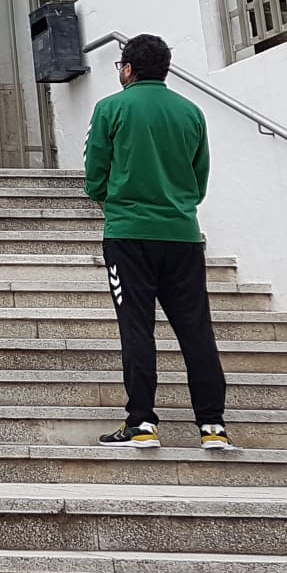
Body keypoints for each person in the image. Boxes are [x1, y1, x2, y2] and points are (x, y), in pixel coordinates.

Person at [86, 34, 229, 451]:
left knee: (136, 328)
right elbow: (199, 178)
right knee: (196, 329)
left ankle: (142, 422)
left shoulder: (111, 108)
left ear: (128, 69)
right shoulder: (191, 111)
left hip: (128, 234)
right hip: (182, 234)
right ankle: (213, 425)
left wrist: (111, 199)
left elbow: (95, 173)